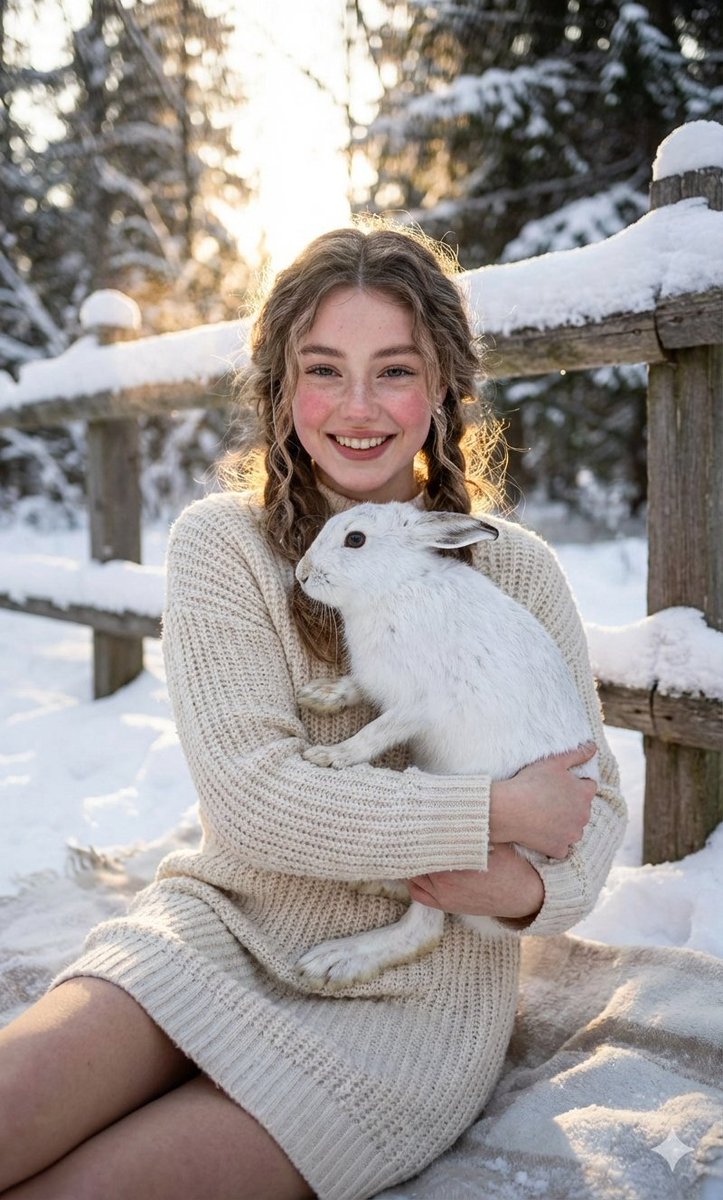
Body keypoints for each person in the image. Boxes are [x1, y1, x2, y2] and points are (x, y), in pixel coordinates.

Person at [0, 221, 626, 1200]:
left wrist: (515, 889)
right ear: (282, 386)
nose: (360, 408)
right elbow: (257, 801)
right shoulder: (223, 545)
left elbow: (589, 822)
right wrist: (493, 815)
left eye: (395, 370)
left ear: (445, 385)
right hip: (216, 930)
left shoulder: (515, 569)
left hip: (406, 1007)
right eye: (325, 370)